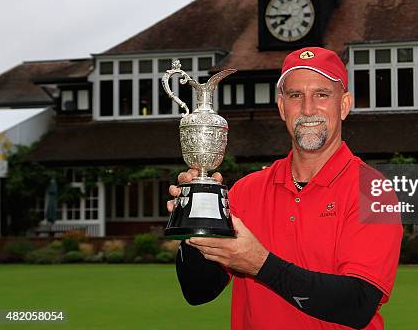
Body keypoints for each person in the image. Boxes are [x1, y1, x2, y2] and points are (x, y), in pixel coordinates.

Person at [167, 47, 403, 329]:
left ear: (343, 105)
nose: (307, 108)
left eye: (322, 94)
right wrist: (196, 224)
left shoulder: (375, 190)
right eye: (295, 96)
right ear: (281, 107)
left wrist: (260, 264)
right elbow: (199, 291)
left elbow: (358, 303)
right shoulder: (246, 190)